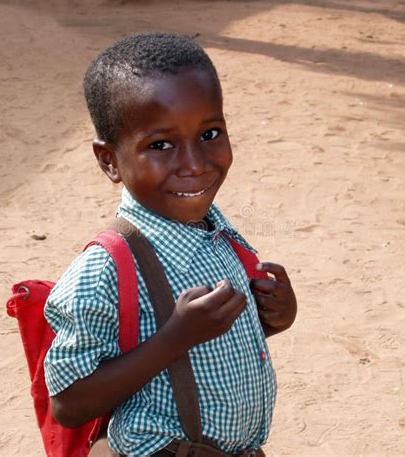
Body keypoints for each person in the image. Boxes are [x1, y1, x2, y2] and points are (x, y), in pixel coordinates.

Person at [44, 32, 297, 456]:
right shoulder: (103, 270)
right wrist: (174, 337)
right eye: (160, 145)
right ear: (110, 161)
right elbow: (67, 404)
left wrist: (271, 318)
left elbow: (212, 351)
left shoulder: (220, 234)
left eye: (210, 134)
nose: (195, 164)